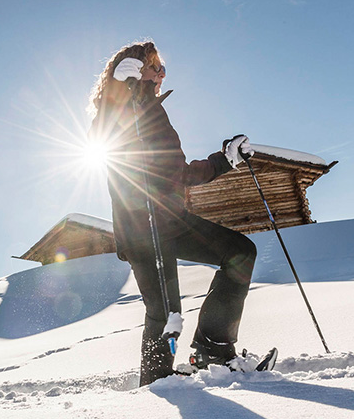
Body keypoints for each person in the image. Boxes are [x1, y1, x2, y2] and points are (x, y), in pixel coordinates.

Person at [88, 41, 258, 386]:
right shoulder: (117, 107)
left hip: (172, 220)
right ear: (135, 70)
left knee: (239, 252)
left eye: (163, 68)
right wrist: (119, 90)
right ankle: (157, 382)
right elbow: (102, 140)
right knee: (166, 311)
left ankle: (214, 349)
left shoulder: (154, 112)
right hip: (141, 227)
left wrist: (224, 161)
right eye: (155, 67)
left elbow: (179, 173)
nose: (162, 74)